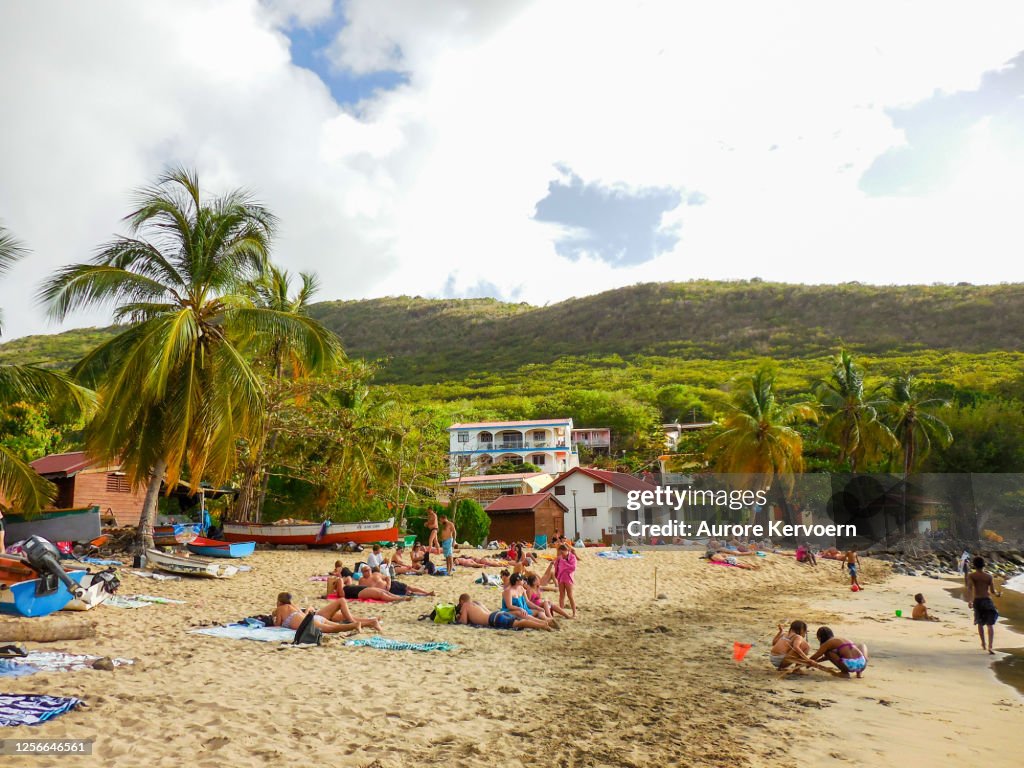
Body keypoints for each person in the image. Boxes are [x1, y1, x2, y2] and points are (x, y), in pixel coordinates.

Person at [454, 593, 555, 631]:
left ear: (461, 601)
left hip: (493, 619)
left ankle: (542, 625)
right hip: (497, 613)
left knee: (519, 623)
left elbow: (463, 622)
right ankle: (542, 622)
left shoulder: (465, 606)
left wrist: (459, 617)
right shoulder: (477, 603)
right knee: (519, 619)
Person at [965, 556, 1002, 654]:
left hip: (977, 601)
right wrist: (998, 594)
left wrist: (970, 601)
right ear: (983, 565)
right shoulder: (989, 576)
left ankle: (983, 643)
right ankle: (990, 646)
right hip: (987, 600)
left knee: (980, 623)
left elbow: (969, 588)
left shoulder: (972, 576)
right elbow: (992, 591)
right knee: (990, 624)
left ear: (974, 565)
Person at [272, 592, 361, 633]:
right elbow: (303, 615)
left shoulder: (280, 609)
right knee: (335, 626)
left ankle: (354, 625)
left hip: (307, 623)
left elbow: (277, 625)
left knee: (333, 629)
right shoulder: (293, 606)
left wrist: (273, 617)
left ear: (279, 602)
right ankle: (356, 624)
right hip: (312, 619)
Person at [769, 621, 836, 674]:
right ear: (801, 630)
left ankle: (780, 668)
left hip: (772, 658)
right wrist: (808, 660)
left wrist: (780, 632)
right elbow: (796, 647)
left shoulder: (784, 634)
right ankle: (797, 669)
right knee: (806, 646)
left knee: (793, 646)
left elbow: (774, 643)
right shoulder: (797, 636)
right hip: (781, 660)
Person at [338, 568, 413, 602]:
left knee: (383, 591)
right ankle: (398, 599)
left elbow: (348, 578)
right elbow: (341, 595)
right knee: (380, 594)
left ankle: (400, 597)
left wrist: (342, 580)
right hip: (359, 592)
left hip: (362, 589)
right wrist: (340, 580)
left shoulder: (347, 585)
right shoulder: (343, 590)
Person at [554, 543, 577, 617]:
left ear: (567, 550)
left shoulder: (572, 557)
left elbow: (573, 568)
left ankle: (574, 613)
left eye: (562, 552)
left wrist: (564, 563)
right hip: (561, 577)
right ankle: (562, 612)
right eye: (560, 552)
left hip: (568, 578)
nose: (561, 554)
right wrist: (556, 574)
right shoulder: (559, 558)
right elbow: (557, 566)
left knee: (570, 595)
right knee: (561, 595)